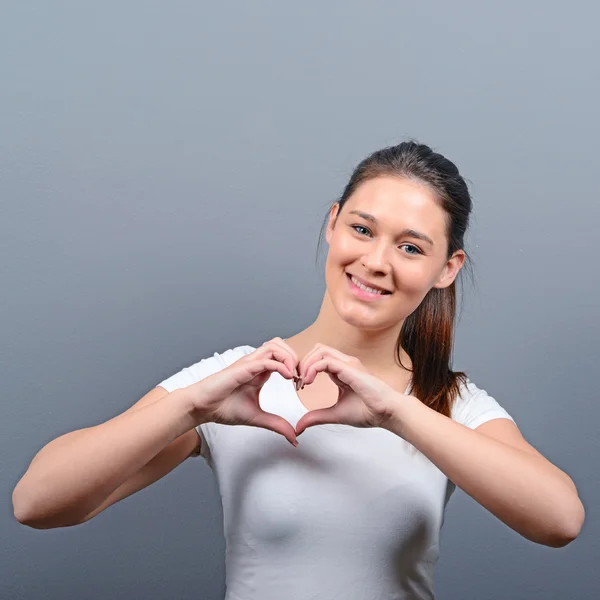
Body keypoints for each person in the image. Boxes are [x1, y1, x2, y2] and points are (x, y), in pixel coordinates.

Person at [13, 140, 585, 599]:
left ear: (446, 267)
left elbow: (559, 520)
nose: (376, 262)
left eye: (411, 248)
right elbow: (36, 504)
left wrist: (396, 412)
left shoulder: (448, 404)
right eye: (362, 229)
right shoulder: (238, 381)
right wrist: (190, 407)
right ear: (333, 224)